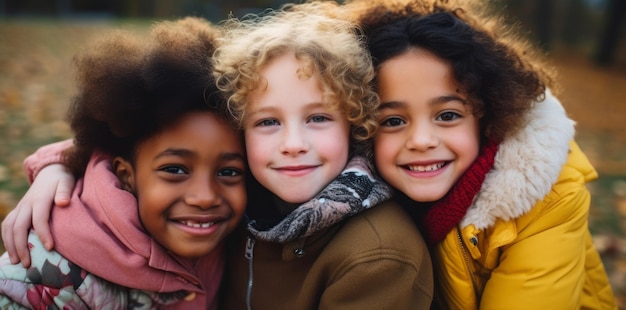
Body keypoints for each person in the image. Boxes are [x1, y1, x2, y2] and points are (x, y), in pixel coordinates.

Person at [2, 2, 434, 309]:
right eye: (267, 122)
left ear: (354, 124)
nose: (293, 144)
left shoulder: (376, 257)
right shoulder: (241, 194)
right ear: (241, 133)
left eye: (318, 118)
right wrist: (59, 165)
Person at [338, 0, 617, 309]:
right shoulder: (344, 192)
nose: (421, 141)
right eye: (392, 121)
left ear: (488, 116)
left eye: (447, 116)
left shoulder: (546, 196)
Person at [0, 17, 247, 309]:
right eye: (175, 169)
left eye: (229, 172)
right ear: (125, 174)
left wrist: (57, 162)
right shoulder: (47, 272)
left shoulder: (245, 231)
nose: (205, 197)